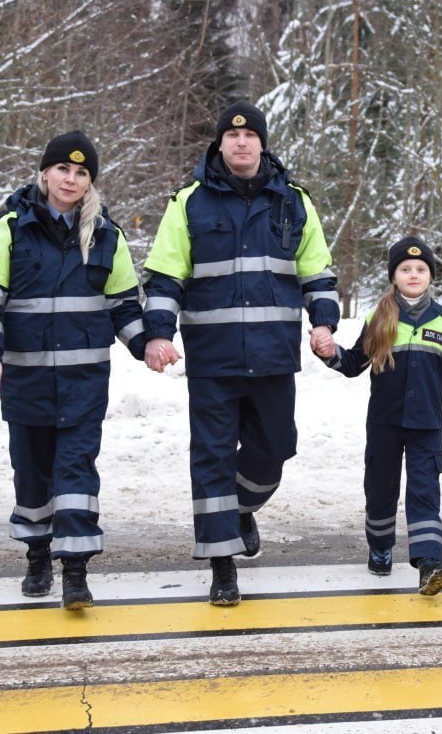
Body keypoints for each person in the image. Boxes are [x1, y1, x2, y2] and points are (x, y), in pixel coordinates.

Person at [142, 101, 339, 606]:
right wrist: (158, 334)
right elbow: (164, 276)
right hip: (213, 358)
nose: (242, 142)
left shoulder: (293, 201)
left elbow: (317, 272)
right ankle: (222, 565)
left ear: (262, 143)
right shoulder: (188, 202)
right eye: (232, 136)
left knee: (276, 448)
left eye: (250, 135)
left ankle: (240, 508)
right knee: (211, 457)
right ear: (220, 143)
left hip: (274, 355)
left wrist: (323, 323)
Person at [0, 130, 148, 610]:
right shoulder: (7, 228)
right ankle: (37, 555)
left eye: (81, 172)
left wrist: (147, 344)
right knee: (31, 474)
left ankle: (76, 572)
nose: (71, 178)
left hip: (84, 384)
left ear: (90, 182)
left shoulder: (107, 235)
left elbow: (123, 305)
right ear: (44, 173)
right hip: (26, 381)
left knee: (75, 473)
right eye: (63, 169)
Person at [312, 236, 442, 595]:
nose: (413, 274)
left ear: (431, 276)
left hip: (427, 423)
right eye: (405, 269)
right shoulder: (378, 317)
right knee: (380, 488)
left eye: (421, 269)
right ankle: (380, 546)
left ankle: (429, 563)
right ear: (394, 276)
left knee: (425, 490)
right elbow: (354, 364)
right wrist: (329, 353)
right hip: (385, 422)